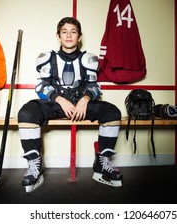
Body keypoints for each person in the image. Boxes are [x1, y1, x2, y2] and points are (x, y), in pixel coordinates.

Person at [17, 17, 123, 193]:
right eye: (64, 32)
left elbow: (94, 86)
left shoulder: (89, 59)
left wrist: (85, 99)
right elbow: (41, 86)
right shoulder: (47, 58)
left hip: (81, 105)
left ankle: (103, 163)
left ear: (79, 37)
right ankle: (34, 165)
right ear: (58, 36)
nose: (69, 35)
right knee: (27, 112)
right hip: (57, 104)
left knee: (112, 111)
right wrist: (59, 99)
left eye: (73, 32)